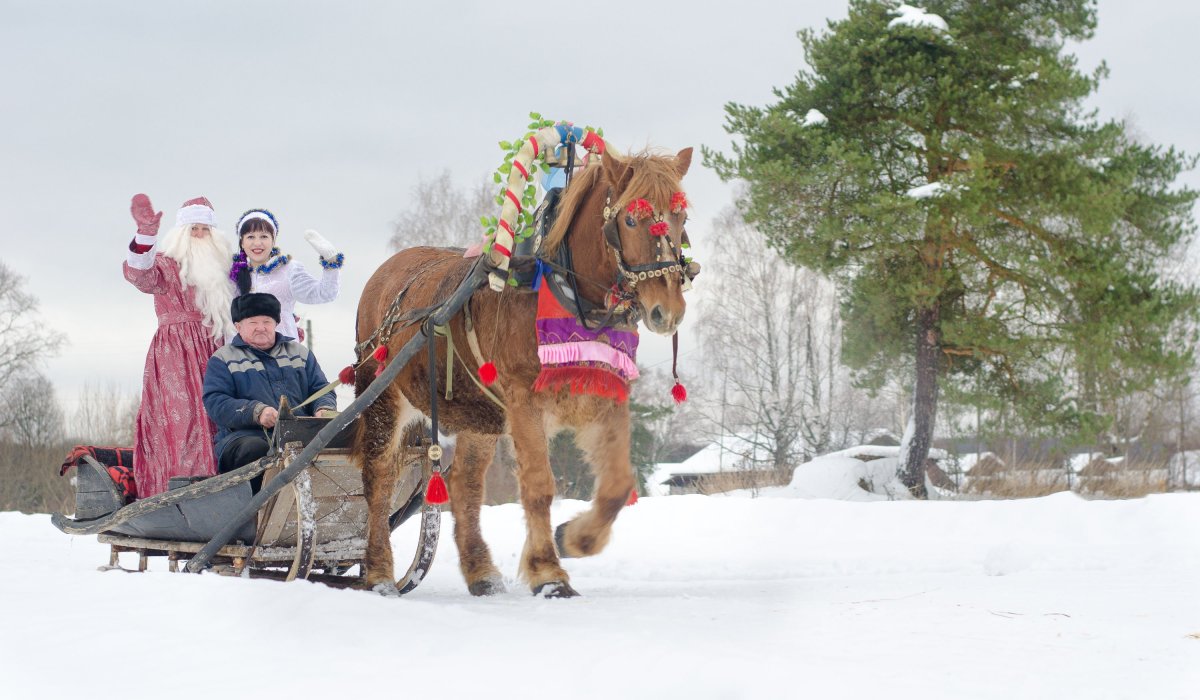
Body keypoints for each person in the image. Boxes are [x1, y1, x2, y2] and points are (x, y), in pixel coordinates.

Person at [123, 194, 236, 498]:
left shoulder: (225, 271)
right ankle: (179, 492)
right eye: (193, 229)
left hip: (216, 349)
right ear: (181, 233)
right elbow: (140, 275)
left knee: (219, 417)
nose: (200, 235)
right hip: (176, 353)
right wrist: (145, 233)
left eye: (205, 229)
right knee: (182, 422)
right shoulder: (166, 265)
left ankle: (222, 492)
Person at [202, 293, 337, 481]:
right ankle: (259, 508)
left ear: (276, 323)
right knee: (256, 449)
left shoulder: (299, 353)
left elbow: (322, 388)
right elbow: (216, 402)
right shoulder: (223, 358)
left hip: (300, 433)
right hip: (244, 437)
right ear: (238, 326)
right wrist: (256, 412)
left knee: (341, 443)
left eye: (267, 321)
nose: (261, 328)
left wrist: (323, 408)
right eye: (252, 322)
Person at [227, 208, 343, 342]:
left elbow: (326, 293)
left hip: (281, 355)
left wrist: (331, 261)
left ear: (273, 240)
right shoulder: (229, 274)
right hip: (239, 355)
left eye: (264, 236)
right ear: (242, 242)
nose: (257, 243)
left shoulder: (289, 270)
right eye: (250, 237)